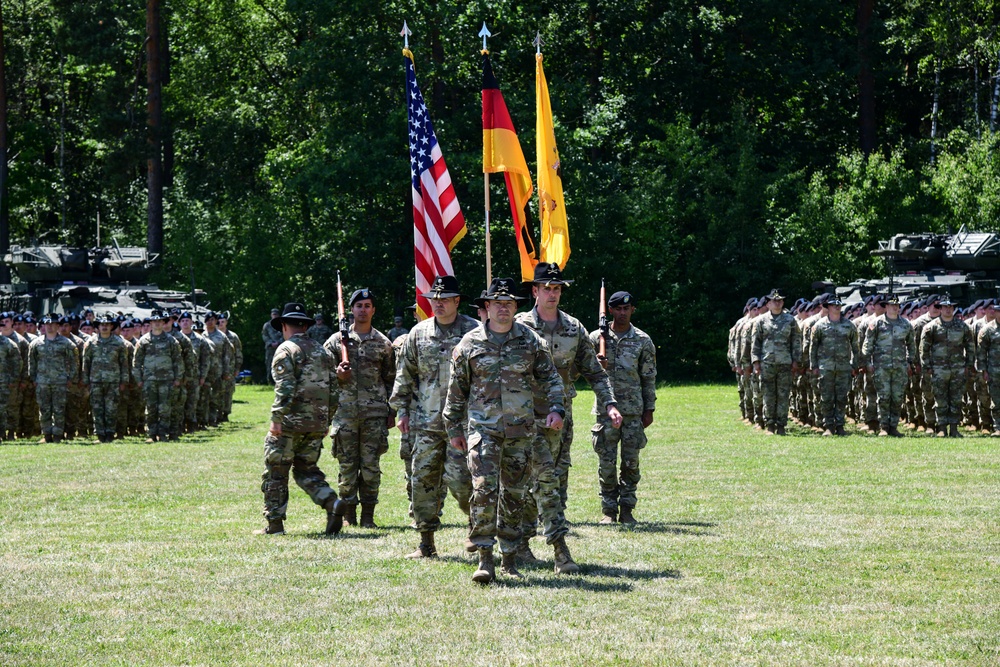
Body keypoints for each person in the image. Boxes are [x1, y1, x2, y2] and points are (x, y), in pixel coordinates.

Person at [444, 277, 565, 583]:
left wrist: (556, 408)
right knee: (484, 490)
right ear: (486, 307)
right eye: (497, 303)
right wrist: (453, 428)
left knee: (514, 495)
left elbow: (551, 379)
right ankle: (485, 559)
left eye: (509, 304)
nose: (503, 309)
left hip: (520, 431)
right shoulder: (469, 344)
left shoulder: (530, 341)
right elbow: (456, 391)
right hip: (483, 431)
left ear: (515, 307)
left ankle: (509, 557)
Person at [515, 263, 620, 559]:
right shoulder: (518, 326)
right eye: (546, 288)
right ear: (534, 290)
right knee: (523, 478)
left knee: (557, 476)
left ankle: (554, 538)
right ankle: (522, 544)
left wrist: (609, 403)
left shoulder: (574, 328)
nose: (552, 293)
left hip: (561, 416)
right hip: (524, 414)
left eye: (557, 288)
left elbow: (595, 373)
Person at [390, 275, 479, 559]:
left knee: (462, 481)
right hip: (425, 422)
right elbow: (405, 375)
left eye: (444, 299)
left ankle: (476, 525)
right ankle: (426, 542)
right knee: (422, 482)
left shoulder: (474, 331)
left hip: (462, 424)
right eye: (434, 300)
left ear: (457, 301)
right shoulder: (418, 333)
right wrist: (401, 410)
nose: (438, 304)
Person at [257, 303, 346, 536]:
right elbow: (334, 388)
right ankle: (330, 502)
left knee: (276, 471)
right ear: (305, 325)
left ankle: (274, 525)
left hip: (289, 423)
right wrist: (327, 419)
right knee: (306, 469)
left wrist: (276, 419)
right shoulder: (323, 351)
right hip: (316, 422)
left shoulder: (286, 349)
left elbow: (284, 387)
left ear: (285, 326)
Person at [324, 288, 395, 529]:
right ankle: (348, 514)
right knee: (346, 466)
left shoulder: (383, 344)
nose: (363, 310)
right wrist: (338, 376)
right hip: (344, 414)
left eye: (367, 305)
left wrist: (392, 411)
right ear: (351, 310)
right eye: (358, 305)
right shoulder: (336, 342)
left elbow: (390, 380)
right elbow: (322, 378)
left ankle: (368, 515)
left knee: (371, 466)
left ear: (373, 310)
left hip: (374, 414)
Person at [590, 290, 656, 524]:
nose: (622, 313)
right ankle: (608, 510)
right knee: (606, 462)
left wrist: (649, 409)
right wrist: (598, 365)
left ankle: (627, 509)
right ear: (610, 310)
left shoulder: (642, 340)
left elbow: (648, 377)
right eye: (617, 309)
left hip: (632, 411)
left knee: (631, 463)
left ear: (632, 310)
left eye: (626, 309)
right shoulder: (597, 338)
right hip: (605, 411)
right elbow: (584, 373)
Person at [919, 297, 974, 437]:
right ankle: (942, 427)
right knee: (940, 398)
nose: (948, 309)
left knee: (956, 399)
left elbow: (970, 346)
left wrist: (969, 364)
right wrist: (927, 366)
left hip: (957, 368)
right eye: (945, 307)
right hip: (938, 369)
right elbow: (924, 349)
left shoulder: (962, 326)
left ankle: (954, 428)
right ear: (940, 309)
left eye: (951, 307)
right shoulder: (931, 327)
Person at [862, 295, 916, 437]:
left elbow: (911, 344)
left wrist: (910, 361)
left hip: (899, 367)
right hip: (881, 367)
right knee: (884, 397)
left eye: (897, 305)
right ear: (886, 306)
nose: (895, 307)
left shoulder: (905, 324)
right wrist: (867, 362)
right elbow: (868, 344)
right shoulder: (877, 323)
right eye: (892, 305)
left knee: (897, 398)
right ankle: (884, 427)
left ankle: (894, 426)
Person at [751, 289, 802, 435]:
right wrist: (756, 362)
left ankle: (781, 425)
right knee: (768, 394)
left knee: (783, 394)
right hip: (767, 363)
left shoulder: (790, 320)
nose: (777, 303)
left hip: (785, 362)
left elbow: (796, 341)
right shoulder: (761, 321)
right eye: (774, 301)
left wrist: (796, 361)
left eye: (780, 300)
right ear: (768, 304)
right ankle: (770, 424)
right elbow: (756, 343)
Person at [809, 297, 860, 436]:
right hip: (826, 367)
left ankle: (840, 425)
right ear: (828, 307)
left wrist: (855, 365)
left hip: (843, 367)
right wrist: (814, 366)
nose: (837, 308)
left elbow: (855, 347)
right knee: (826, 397)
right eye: (833, 305)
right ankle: (828, 426)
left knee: (842, 397)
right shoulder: (819, 326)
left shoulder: (849, 325)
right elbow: (813, 348)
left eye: (839, 305)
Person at [133, 311, 182, 443]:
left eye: (160, 321)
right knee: (151, 408)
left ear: (163, 323)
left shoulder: (171, 340)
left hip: (167, 380)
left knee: (165, 408)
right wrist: (138, 379)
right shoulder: (143, 341)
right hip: (149, 381)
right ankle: (152, 434)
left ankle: (164, 433)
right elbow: (136, 362)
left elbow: (178, 361)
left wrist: (178, 378)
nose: (157, 323)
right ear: (150, 323)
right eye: (154, 321)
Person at [28, 316, 78, 443]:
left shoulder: (66, 343)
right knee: (44, 409)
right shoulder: (36, 343)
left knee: (59, 410)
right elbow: (32, 362)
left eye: (53, 324)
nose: (50, 326)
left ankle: (57, 435)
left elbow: (74, 361)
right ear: (44, 325)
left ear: (58, 326)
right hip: (42, 382)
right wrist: (33, 378)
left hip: (60, 382)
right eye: (47, 324)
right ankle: (47, 434)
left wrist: (71, 377)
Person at [81, 316, 129, 443]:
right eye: (102, 324)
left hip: (113, 381)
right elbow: (86, 363)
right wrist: (86, 381)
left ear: (112, 326)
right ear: (98, 327)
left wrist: (124, 381)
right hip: (95, 381)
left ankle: (110, 433)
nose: (104, 327)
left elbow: (124, 363)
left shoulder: (119, 343)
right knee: (97, 409)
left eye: (107, 324)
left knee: (111, 409)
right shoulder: (91, 342)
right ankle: (100, 434)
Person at [262, 307, 283, 383]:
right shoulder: (267, 325)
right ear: (271, 315)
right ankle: (269, 381)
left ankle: (279, 381)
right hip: (270, 349)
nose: (274, 316)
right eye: (273, 314)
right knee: (269, 364)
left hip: (281, 348)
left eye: (276, 314)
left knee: (281, 364)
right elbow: (264, 336)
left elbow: (285, 334)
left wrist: (279, 342)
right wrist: (270, 343)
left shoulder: (282, 325)